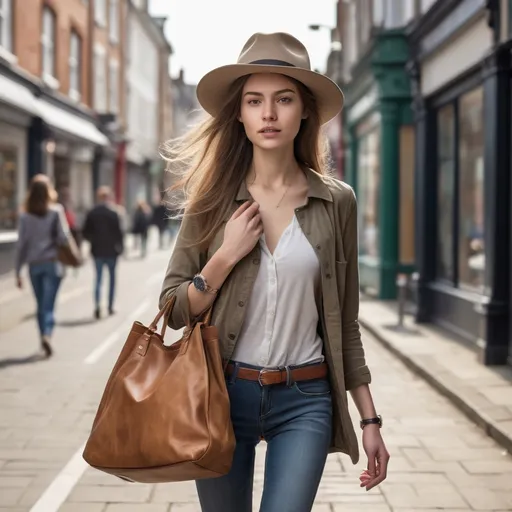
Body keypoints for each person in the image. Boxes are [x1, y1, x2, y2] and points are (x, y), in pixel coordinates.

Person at [159, 33, 390, 512]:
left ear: (304, 110)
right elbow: (174, 308)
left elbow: (346, 323)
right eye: (254, 101)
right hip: (221, 395)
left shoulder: (336, 201)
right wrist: (223, 258)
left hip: (305, 399)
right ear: (239, 114)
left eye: (283, 99)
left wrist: (370, 422)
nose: (268, 114)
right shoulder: (212, 201)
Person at [15, 174, 71, 357]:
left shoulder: (25, 216)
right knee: (49, 305)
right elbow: (64, 237)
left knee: (40, 305)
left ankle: (42, 336)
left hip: (34, 265)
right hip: (52, 264)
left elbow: (21, 244)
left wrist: (17, 272)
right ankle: (47, 334)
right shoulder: (56, 211)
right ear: (48, 191)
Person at [82, 186, 124, 319]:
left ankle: (97, 306)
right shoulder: (114, 212)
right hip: (112, 250)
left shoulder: (92, 212)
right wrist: (121, 247)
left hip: (97, 250)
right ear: (109, 197)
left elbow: (85, 232)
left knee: (98, 279)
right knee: (111, 279)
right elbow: (119, 232)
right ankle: (110, 306)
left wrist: (93, 241)